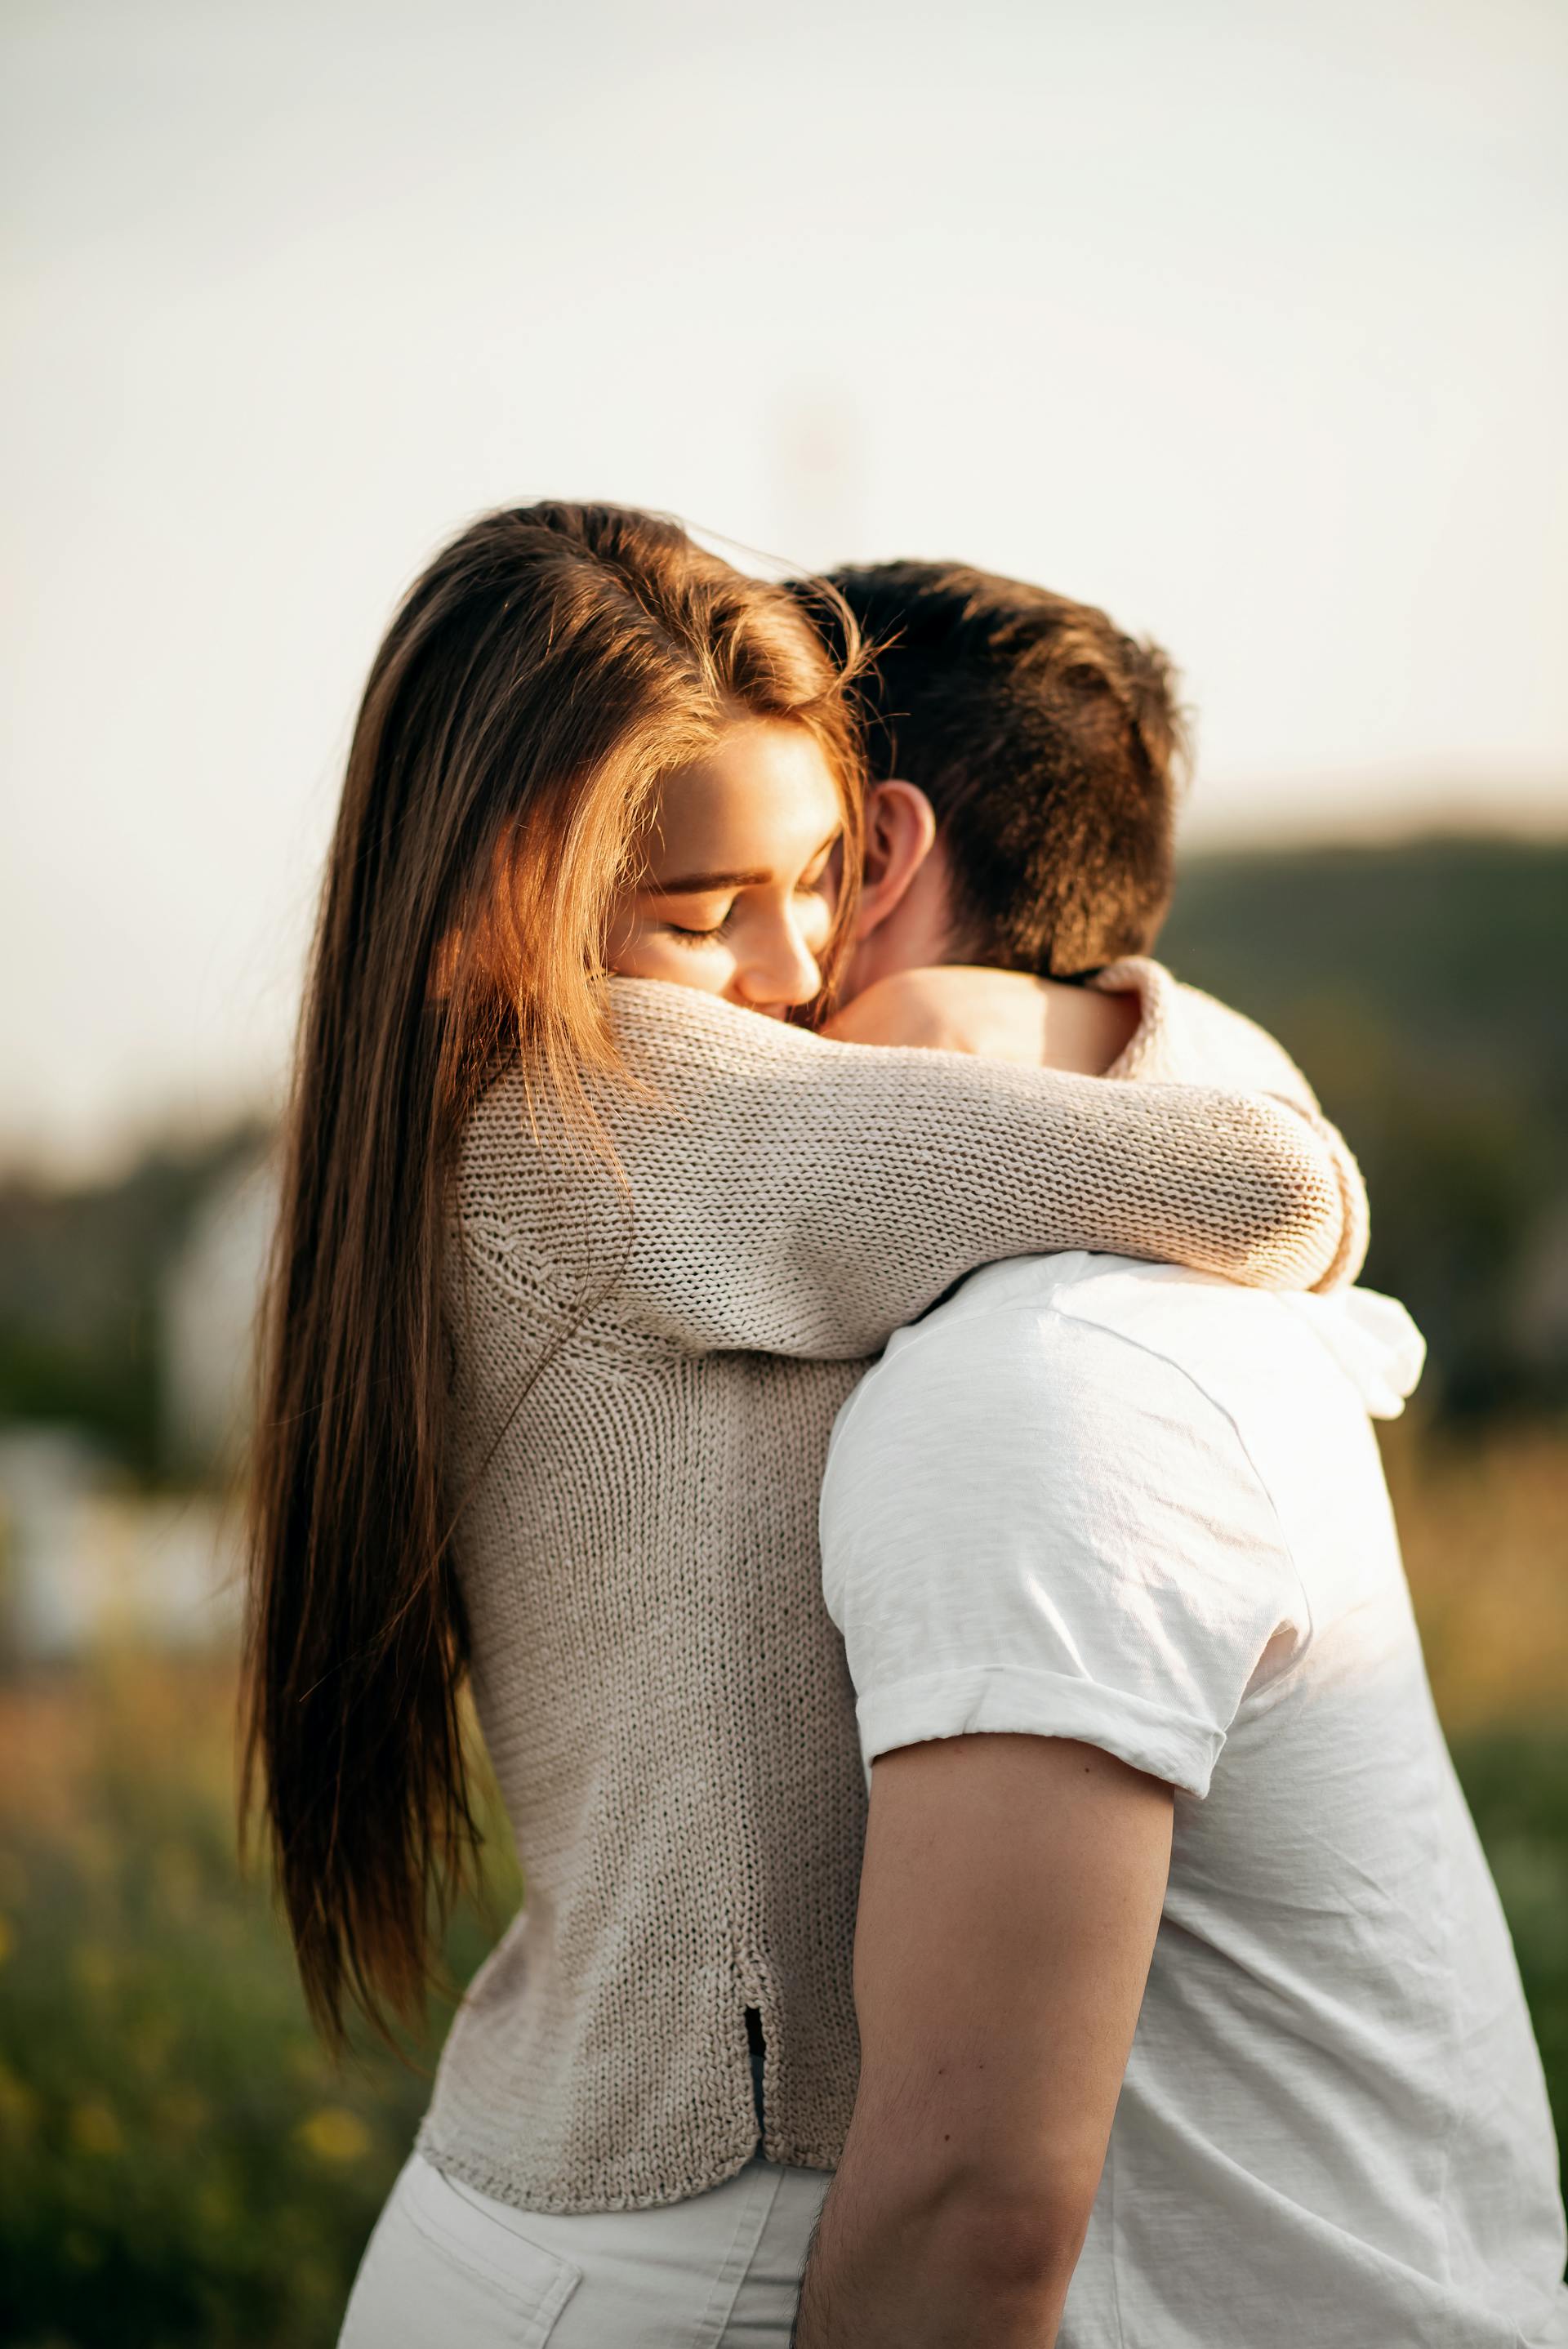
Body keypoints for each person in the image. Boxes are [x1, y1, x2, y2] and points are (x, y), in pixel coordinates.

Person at [245, 504, 1365, 2347]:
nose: (790, 970)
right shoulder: (638, 1112)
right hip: (694, 2246)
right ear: (493, 895)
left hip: (548, 2205)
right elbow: (1274, 1185)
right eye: (704, 913)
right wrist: (997, 1018)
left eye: (825, 875)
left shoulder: (455, 1135)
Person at [799, 566, 1568, 2345]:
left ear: (876, 860)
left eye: (722, 873)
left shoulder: (1042, 1377)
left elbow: (965, 2212)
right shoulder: (1137, 1263)